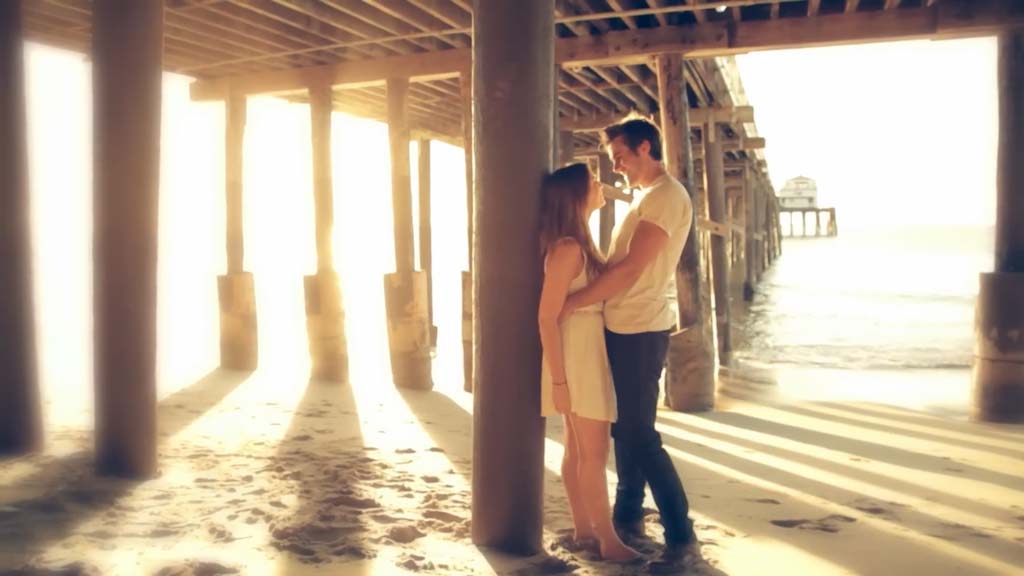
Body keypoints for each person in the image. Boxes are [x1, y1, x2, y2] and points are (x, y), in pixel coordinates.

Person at [561, 118, 701, 570]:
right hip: (623, 325)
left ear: (645, 147)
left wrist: (573, 301)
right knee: (624, 426)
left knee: (638, 432)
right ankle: (627, 515)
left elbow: (630, 269)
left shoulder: (666, 197)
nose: (616, 166)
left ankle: (681, 536)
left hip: (640, 328)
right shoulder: (645, 197)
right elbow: (617, 265)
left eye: (620, 156)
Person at [537, 162, 640, 562]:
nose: (601, 184)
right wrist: (559, 382)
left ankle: (584, 530)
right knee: (593, 456)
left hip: (582, 352)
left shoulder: (577, 244)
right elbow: (546, 317)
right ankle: (608, 541)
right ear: (576, 196)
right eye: (594, 181)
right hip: (576, 358)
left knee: (579, 451)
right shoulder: (567, 249)